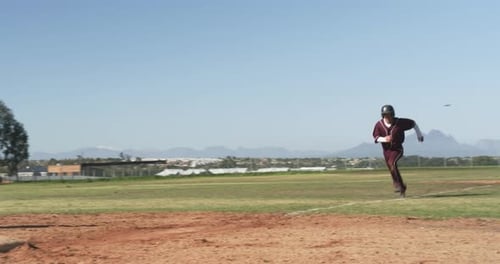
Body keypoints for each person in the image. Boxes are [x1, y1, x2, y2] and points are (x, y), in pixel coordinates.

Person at [372, 105, 424, 197]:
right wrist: (384, 139)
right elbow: (376, 138)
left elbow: (414, 124)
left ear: (393, 114)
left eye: (389, 115)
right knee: (391, 168)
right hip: (386, 151)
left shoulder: (399, 122)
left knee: (392, 163)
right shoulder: (379, 125)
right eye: (385, 115)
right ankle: (401, 187)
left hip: (397, 149)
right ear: (382, 116)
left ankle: (398, 186)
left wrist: (419, 135)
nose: (388, 117)